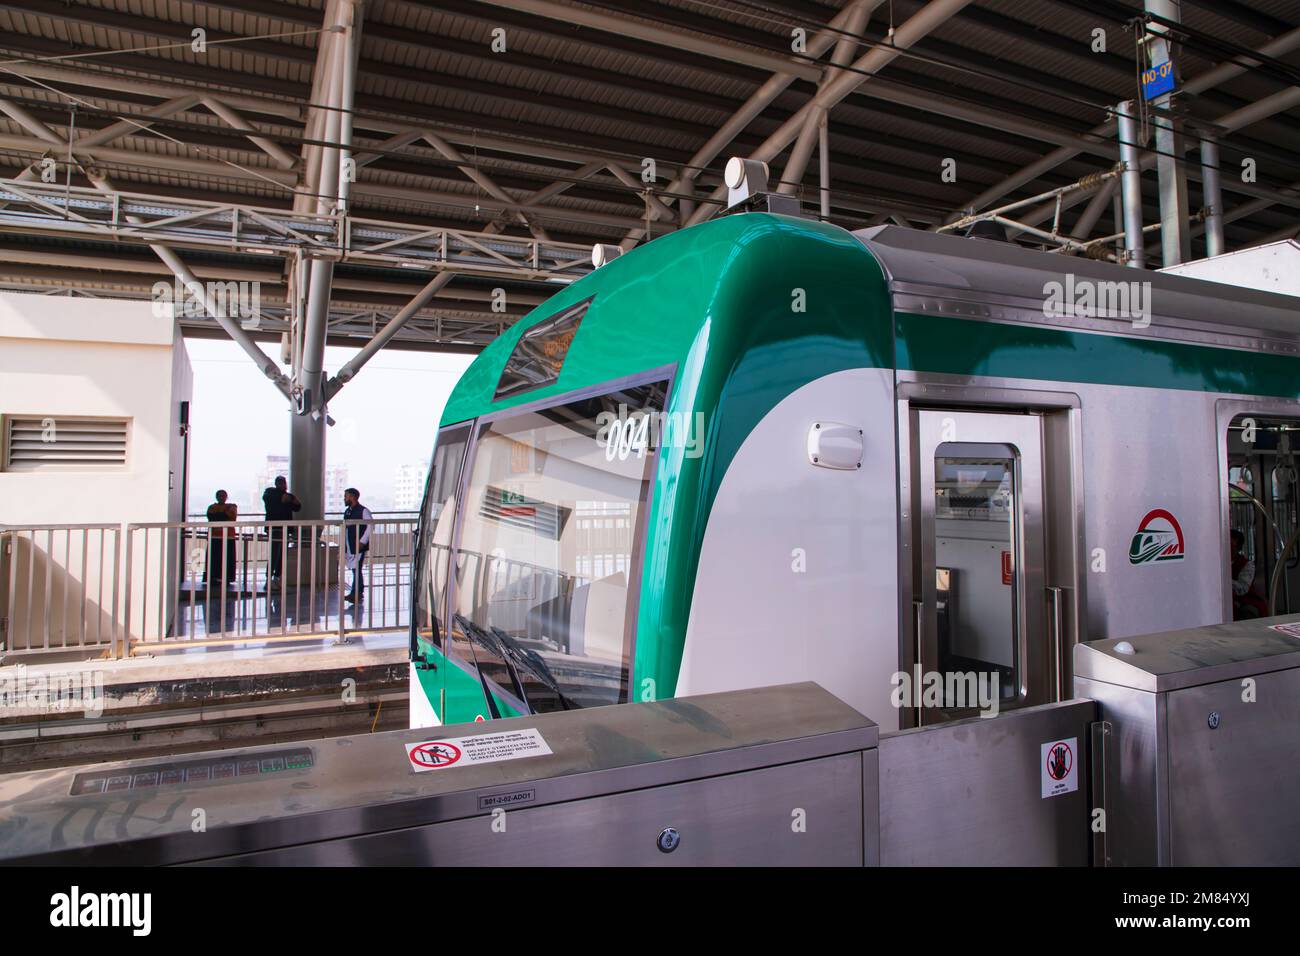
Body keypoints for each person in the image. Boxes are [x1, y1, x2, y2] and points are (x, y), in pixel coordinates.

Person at [262, 476, 301, 580]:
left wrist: (291, 499)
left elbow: (298, 507)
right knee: (275, 553)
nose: (284, 485)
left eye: (284, 483)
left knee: (282, 553)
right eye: (281, 483)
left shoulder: (288, 496)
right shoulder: (269, 493)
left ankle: (277, 576)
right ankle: (270, 576)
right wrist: (283, 499)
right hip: (275, 528)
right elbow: (268, 499)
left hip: (285, 528)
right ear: (276, 484)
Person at [342, 487, 372, 604]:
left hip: (358, 545)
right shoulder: (348, 511)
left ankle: (356, 593)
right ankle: (356, 592)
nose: (344, 498)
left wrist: (362, 541)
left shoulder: (363, 511)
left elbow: (370, 526)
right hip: (350, 544)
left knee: (356, 568)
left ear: (353, 497)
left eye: (346, 496)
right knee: (355, 569)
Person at [1231, 529, 1268, 620]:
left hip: (1245, 600)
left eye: (1231, 545)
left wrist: (1224, 581)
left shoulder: (1247, 564)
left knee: (1248, 612)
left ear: (1238, 547)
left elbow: (1243, 588)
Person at [204, 490, 238, 588]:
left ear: (226, 497)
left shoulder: (231, 507)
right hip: (215, 537)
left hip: (228, 537)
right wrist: (224, 514)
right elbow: (212, 518)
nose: (222, 498)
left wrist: (220, 515)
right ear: (217, 497)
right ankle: (214, 577)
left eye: (224, 496)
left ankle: (226, 577)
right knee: (214, 559)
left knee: (227, 558)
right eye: (220, 496)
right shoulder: (212, 507)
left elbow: (230, 517)